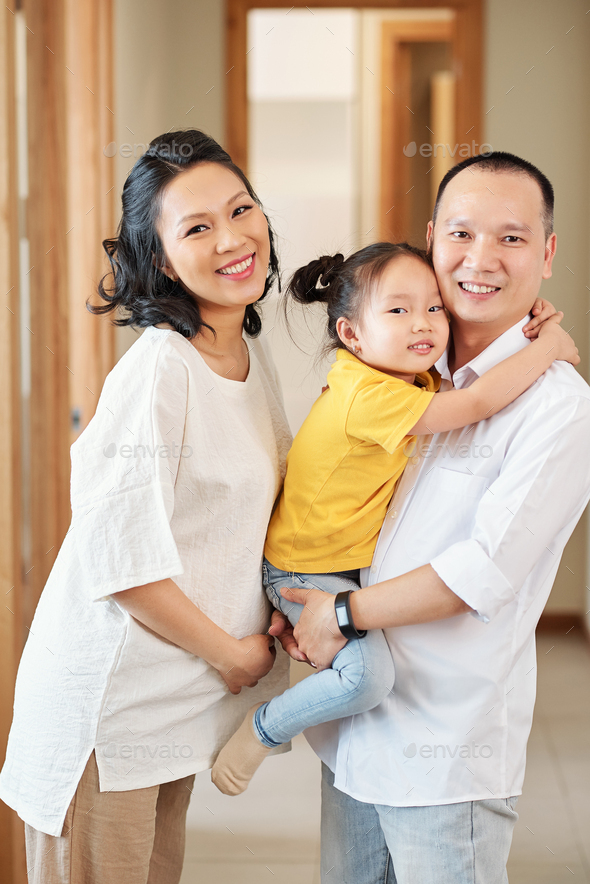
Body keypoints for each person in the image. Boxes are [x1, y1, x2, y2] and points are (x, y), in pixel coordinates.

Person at [272, 152, 590, 884]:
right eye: (461, 233)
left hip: (447, 755)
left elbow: (482, 571)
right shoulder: (404, 376)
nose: (481, 258)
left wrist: (340, 613)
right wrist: (300, 601)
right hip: (354, 736)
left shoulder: (557, 407)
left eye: (511, 238)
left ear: (545, 255)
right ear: (430, 242)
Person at [0, 129, 293, 884]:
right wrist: (233, 656)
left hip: (171, 708)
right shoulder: (160, 370)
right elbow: (121, 565)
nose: (233, 239)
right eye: (197, 227)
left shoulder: (242, 355)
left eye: (241, 209)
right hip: (110, 714)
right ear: (160, 258)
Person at [211, 238, 577, 797]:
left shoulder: (407, 374)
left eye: (434, 307)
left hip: (339, 564)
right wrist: (548, 343)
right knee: (368, 679)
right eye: (398, 310)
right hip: (305, 570)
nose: (423, 324)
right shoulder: (370, 394)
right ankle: (264, 730)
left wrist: (524, 320)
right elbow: (476, 405)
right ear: (352, 335)